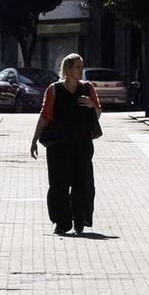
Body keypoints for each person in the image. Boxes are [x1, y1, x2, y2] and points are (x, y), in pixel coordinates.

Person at [30, 53, 101, 235]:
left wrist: (92, 105)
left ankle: (79, 221)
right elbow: (45, 116)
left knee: (82, 183)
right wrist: (34, 140)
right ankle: (62, 222)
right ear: (68, 69)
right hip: (59, 145)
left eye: (81, 66)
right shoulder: (54, 90)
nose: (81, 70)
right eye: (78, 66)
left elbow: (98, 113)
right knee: (58, 184)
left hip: (82, 144)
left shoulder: (87, 89)